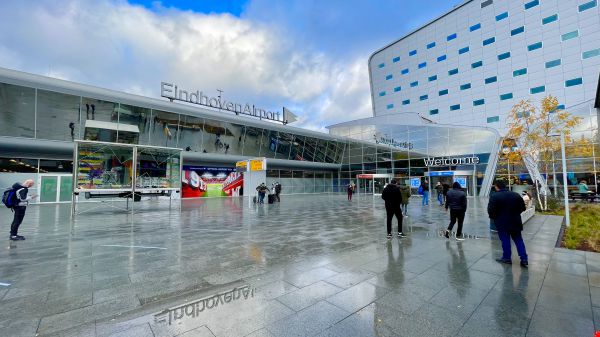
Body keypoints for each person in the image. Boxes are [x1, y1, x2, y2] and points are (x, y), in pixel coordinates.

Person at [488, 180, 528, 267]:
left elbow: (491, 211)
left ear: (497, 186)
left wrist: (495, 218)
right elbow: (523, 208)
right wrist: (515, 214)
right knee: (518, 240)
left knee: (505, 240)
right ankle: (524, 259)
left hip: (502, 223)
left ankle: (507, 258)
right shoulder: (515, 195)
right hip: (515, 221)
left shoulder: (494, 196)